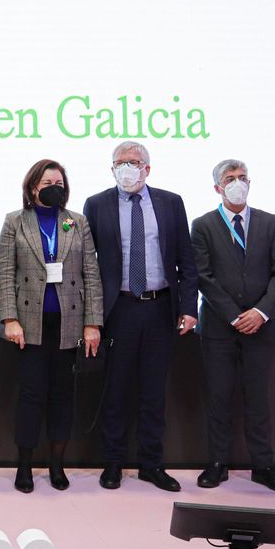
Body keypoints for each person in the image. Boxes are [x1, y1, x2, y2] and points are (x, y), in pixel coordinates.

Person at [83, 141, 198, 492]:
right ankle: (113, 464)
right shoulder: (97, 204)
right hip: (119, 309)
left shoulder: (170, 202)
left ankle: (152, 464)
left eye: (134, 162)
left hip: (160, 307)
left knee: (153, 392)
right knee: (115, 390)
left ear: (148, 168)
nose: (127, 168)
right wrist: (93, 317)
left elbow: (186, 261)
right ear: (111, 169)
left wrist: (189, 308)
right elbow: (89, 265)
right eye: (120, 162)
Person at [0, 159, 103, 493]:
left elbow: (91, 274)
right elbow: (5, 273)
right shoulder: (15, 221)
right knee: (30, 394)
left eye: (59, 181)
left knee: (62, 396)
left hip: (69, 324)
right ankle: (24, 465)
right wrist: (9, 318)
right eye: (47, 182)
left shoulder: (77, 222)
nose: (55, 186)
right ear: (33, 187)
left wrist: (92, 323)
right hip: (29, 325)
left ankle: (57, 464)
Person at [191, 160, 275, 493]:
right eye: (229, 179)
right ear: (217, 188)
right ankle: (217, 464)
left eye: (242, 178)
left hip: (261, 327)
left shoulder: (270, 223)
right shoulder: (203, 224)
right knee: (219, 398)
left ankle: (263, 466)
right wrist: (235, 315)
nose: (237, 183)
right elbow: (203, 277)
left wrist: (261, 312)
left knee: (258, 400)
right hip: (220, 329)